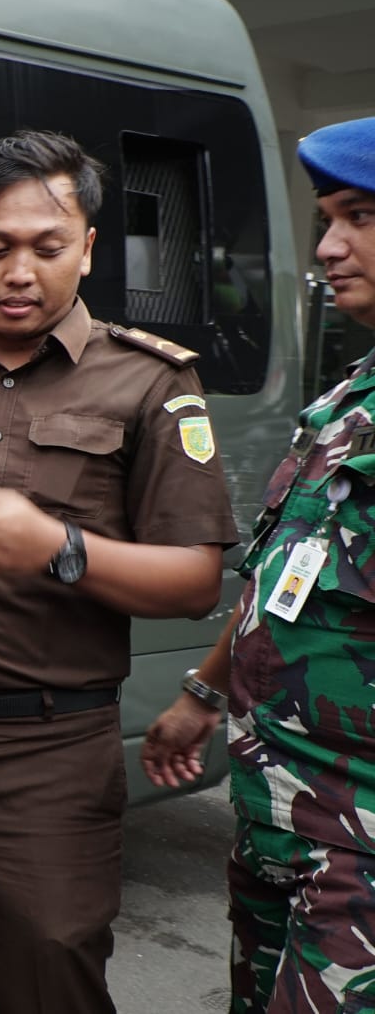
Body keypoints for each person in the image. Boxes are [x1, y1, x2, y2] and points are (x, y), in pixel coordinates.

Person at [0, 129, 238, 1014]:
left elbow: (194, 583)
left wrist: (58, 548)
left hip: (46, 753)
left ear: (87, 249)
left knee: (50, 984)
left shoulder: (151, 384)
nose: (21, 272)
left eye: (46, 247)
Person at [141, 115, 375, 1012]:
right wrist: (203, 694)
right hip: (280, 819)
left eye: (357, 217)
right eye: (327, 218)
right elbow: (290, 576)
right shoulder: (346, 404)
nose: (327, 246)